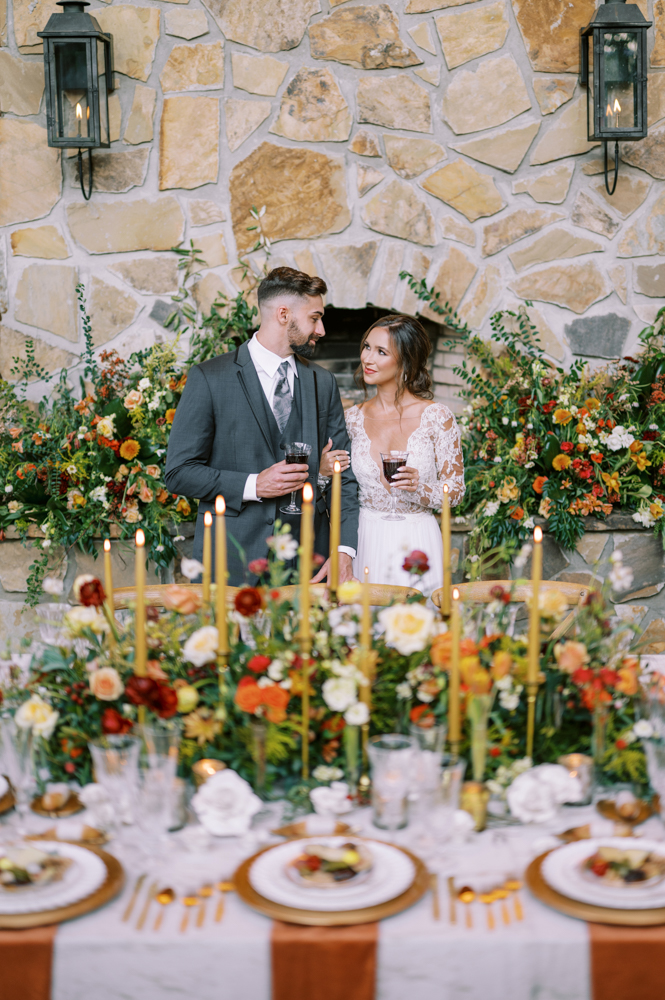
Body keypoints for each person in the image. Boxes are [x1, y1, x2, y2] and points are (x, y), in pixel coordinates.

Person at [165, 267, 358, 586]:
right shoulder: (210, 378)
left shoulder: (322, 383)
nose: (321, 329)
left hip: (307, 564)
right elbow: (179, 472)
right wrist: (254, 485)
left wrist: (344, 550)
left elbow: (344, 476)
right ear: (283, 314)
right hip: (232, 561)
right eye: (314, 317)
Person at [319, 314, 465, 596]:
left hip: (417, 540)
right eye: (367, 347)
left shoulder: (437, 417)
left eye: (381, 352)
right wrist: (323, 472)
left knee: (416, 632)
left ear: (406, 362)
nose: (367, 359)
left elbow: (456, 492)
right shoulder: (350, 420)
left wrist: (420, 488)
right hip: (364, 540)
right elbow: (338, 491)